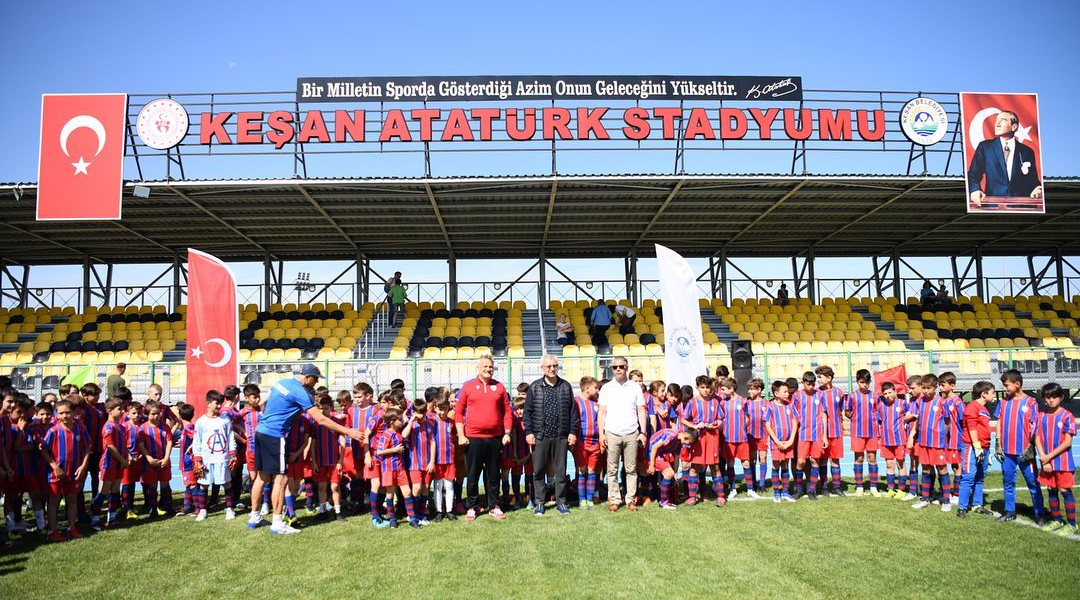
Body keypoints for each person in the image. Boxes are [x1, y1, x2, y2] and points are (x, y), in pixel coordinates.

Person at [251, 364, 362, 535]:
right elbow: (321, 420)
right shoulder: (302, 393)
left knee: (262, 477)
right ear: (308, 377)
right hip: (275, 435)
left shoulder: (282, 382)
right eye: (315, 379)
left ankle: (254, 517)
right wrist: (348, 431)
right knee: (281, 480)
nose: (316, 383)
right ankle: (277, 523)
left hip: (261, 431)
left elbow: (263, 404)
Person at [455, 355, 514, 522]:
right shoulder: (467, 387)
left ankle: (494, 505)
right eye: (485, 366)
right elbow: (459, 413)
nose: (488, 369)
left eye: (490, 367)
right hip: (472, 438)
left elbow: (507, 412)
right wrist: (461, 435)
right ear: (478, 368)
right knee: (472, 475)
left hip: (495, 439)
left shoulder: (500, 387)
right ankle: (472, 506)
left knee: (493, 474)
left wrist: (507, 433)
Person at [522, 354, 578, 516]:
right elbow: (528, 413)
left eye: (555, 366)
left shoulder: (565, 386)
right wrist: (529, 432)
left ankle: (561, 502)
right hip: (540, 435)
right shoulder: (534, 387)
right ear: (542, 368)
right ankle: (540, 503)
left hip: (561, 436)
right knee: (538, 470)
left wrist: (572, 432)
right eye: (549, 366)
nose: (552, 369)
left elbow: (572, 412)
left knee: (560, 471)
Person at [597, 356, 648, 513]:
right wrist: (601, 434)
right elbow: (602, 412)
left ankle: (630, 500)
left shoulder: (635, 387)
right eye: (615, 367)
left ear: (626, 368)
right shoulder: (606, 388)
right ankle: (615, 499)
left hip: (631, 433)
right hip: (612, 433)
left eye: (621, 366)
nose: (618, 369)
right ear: (611, 369)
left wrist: (643, 432)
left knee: (631, 469)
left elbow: (641, 410)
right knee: (611, 469)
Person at [995, 369, 1045, 523]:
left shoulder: (1031, 402)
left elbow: (1034, 426)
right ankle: (1010, 511)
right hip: (1007, 452)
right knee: (1008, 481)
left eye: (1006, 385)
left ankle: (1039, 514)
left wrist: (1031, 446)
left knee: (1032, 482)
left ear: (1017, 384)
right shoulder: (1003, 402)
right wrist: (997, 442)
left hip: (1024, 451)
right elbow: (999, 422)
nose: (1004, 389)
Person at [967, 110, 1043, 207]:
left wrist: (1037, 188)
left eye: (1002, 120)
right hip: (993, 207)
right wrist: (975, 189)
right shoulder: (985, 147)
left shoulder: (1026, 151)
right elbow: (974, 173)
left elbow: (1032, 180)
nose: (997, 123)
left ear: (1014, 127)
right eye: (996, 120)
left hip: (1022, 207)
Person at [40, 400, 89, 542]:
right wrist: (54, 467)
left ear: (73, 413)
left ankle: (72, 527)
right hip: (57, 472)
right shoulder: (53, 431)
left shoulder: (81, 429)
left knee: (72, 499)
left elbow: (87, 448)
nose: (65, 415)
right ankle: (52, 531)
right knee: (54, 500)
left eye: (68, 412)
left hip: (74, 471)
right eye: (61, 413)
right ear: (57, 414)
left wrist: (83, 466)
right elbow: (43, 450)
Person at [1034, 383, 1076, 536]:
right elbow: (1037, 438)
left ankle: (1072, 524)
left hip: (1062, 462)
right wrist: (1043, 458)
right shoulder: (1041, 416)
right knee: (1051, 490)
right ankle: (1057, 519)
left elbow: (1067, 442)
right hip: (1047, 462)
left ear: (1061, 397)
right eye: (1047, 397)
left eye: (1054, 397)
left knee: (1065, 491)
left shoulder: (1067, 416)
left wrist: (1047, 457)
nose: (1051, 400)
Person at [908, 374, 952, 512]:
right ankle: (925, 498)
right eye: (924, 388)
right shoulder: (920, 402)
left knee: (941, 469)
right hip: (923, 441)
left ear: (936, 387)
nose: (926, 391)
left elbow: (947, 422)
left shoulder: (942, 402)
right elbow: (918, 420)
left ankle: (946, 500)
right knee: (926, 469)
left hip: (937, 443)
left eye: (929, 388)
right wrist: (913, 436)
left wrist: (941, 436)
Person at [192, 390, 237, 522]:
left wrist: (233, 454)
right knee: (203, 485)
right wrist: (198, 458)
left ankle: (229, 509)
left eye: (220, 404)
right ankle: (203, 510)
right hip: (206, 459)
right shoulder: (201, 422)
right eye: (216, 403)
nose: (219, 406)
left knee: (227, 483)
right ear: (208, 403)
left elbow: (230, 437)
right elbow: (197, 441)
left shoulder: (225, 420)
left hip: (222, 458)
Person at [375, 409, 419, 529]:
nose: (401, 422)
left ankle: (412, 518)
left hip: (400, 468)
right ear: (392, 422)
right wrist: (394, 450)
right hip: (389, 469)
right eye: (400, 420)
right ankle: (392, 518)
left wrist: (410, 421)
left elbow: (405, 434)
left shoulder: (398, 433)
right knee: (390, 493)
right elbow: (379, 451)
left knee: (407, 492)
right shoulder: (386, 434)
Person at [956, 381, 994, 518]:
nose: (994, 395)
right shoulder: (973, 407)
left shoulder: (986, 410)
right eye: (992, 392)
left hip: (984, 447)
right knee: (968, 477)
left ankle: (978, 504)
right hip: (971, 448)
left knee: (979, 477)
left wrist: (986, 450)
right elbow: (971, 428)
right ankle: (962, 507)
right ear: (984, 394)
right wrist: (977, 447)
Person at [89, 397, 128, 530]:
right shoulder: (108, 427)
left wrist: (126, 458)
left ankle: (112, 518)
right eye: (119, 409)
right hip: (109, 464)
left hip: (119, 464)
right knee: (104, 492)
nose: (123, 411)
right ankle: (94, 519)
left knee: (115, 492)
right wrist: (122, 459)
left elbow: (124, 445)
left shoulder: (121, 427)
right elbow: (110, 446)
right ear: (110, 411)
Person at [311, 393, 346, 521]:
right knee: (321, 486)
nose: (322, 411)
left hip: (334, 461)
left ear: (330, 408)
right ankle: (322, 511)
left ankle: (338, 511)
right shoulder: (315, 424)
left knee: (335, 486)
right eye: (320, 408)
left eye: (325, 408)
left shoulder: (336, 422)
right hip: (320, 461)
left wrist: (340, 461)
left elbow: (342, 441)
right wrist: (314, 461)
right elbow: (313, 444)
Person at [845, 369, 880, 497]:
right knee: (859, 458)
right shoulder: (852, 396)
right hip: (857, 432)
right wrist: (856, 419)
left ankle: (873, 486)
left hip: (872, 432)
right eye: (862, 382)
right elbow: (847, 412)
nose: (864, 385)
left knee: (872, 458)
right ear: (857, 381)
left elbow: (878, 411)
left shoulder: (875, 396)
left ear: (870, 382)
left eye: (867, 382)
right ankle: (859, 486)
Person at [792, 372, 827, 499]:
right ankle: (799, 489)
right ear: (803, 383)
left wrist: (824, 436)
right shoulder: (797, 395)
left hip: (817, 434)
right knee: (800, 461)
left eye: (812, 384)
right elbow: (793, 414)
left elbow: (823, 415)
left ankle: (812, 489)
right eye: (808, 384)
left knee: (814, 460)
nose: (811, 387)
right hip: (803, 434)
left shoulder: (820, 394)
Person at [138, 400, 175, 517]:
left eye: (158, 413)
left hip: (164, 461)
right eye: (153, 414)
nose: (156, 416)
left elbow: (169, 442)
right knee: (152, 485)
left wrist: (166, 458)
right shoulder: (143, 428)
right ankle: (153, 509)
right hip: (150, 462)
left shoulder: (165, 427)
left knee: (165, 484)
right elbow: (141, 445)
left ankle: (169, 507)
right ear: (146, 415)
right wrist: (149, 458)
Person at [646, 426, 697, 509]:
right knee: (669, 473)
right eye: (689, 443)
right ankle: (663, 502)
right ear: (686, 438)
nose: (687, 445)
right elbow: (654, 447)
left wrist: (675, 473)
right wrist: (651, 465)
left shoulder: (679, 443)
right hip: (651, 452)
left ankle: (665, 501)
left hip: (659, 454)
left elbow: (677, 457)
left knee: (670, 474)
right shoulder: (671, 435)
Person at [765, 380, 798, 503]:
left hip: (788, 441)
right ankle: (776, 492)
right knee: (776, 465)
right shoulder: (770, 406)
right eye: (785, 391)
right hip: (777, 442)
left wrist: (791, 440)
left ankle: (785, 491)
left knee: (785, 465)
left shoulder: (790, 405)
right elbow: (767, 425)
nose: (787, 393)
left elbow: (794, 422)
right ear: (776, 393)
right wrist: (777, 441)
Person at [816, 366, 846, 497]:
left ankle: (837, 486)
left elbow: (840, 411)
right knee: (822, 460)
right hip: (822, 433)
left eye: (820, 377)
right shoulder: (816, 393)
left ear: (829, 378)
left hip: (836, 432)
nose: (818, 379)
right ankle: (824, 487)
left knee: (835, 460)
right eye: (817, 377)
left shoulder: (839, 393)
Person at [572, 376, 601, 509]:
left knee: (592, 470)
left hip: (595, 442)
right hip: (581, 442)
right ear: (587, 388)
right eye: (595, 388)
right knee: (582, 470)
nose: (597, 390)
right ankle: (581, 499)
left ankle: (590, 499)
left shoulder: (596, 403)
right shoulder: (576, 401)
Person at [875, 382, 909, 498]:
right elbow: (879, 421)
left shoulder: (903, 403)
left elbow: (908, 419)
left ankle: (901, 489)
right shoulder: (881, 405)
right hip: (886, 440)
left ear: (895, 392)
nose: (888, 395)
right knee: (889, 464)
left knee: (900, 464)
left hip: (900, 440)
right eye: (885, 393)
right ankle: (890, 489)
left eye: (890, 392)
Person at [431, 393, 457, 522]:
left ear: (448, 409)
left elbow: (454, 438)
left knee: (449, 485)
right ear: (435, 408)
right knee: (438, 485)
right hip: (436, 459)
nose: (442, 412)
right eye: (440, 409)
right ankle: (439, 511)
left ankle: (450, 511)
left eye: (445, 409)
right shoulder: (431, 421)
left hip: (449, 459)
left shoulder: (451, 422)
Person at [745, 378, 770, 495]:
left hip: (763, 435)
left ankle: (762, 483)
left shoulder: (766, 403)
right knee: (752, 459)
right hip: (750, 435)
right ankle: (753, 483)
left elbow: (770, 421)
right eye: (749, 389)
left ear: (759, 390)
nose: (749, 392)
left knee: (763, 459)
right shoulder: (747, 402)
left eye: (752, 389)